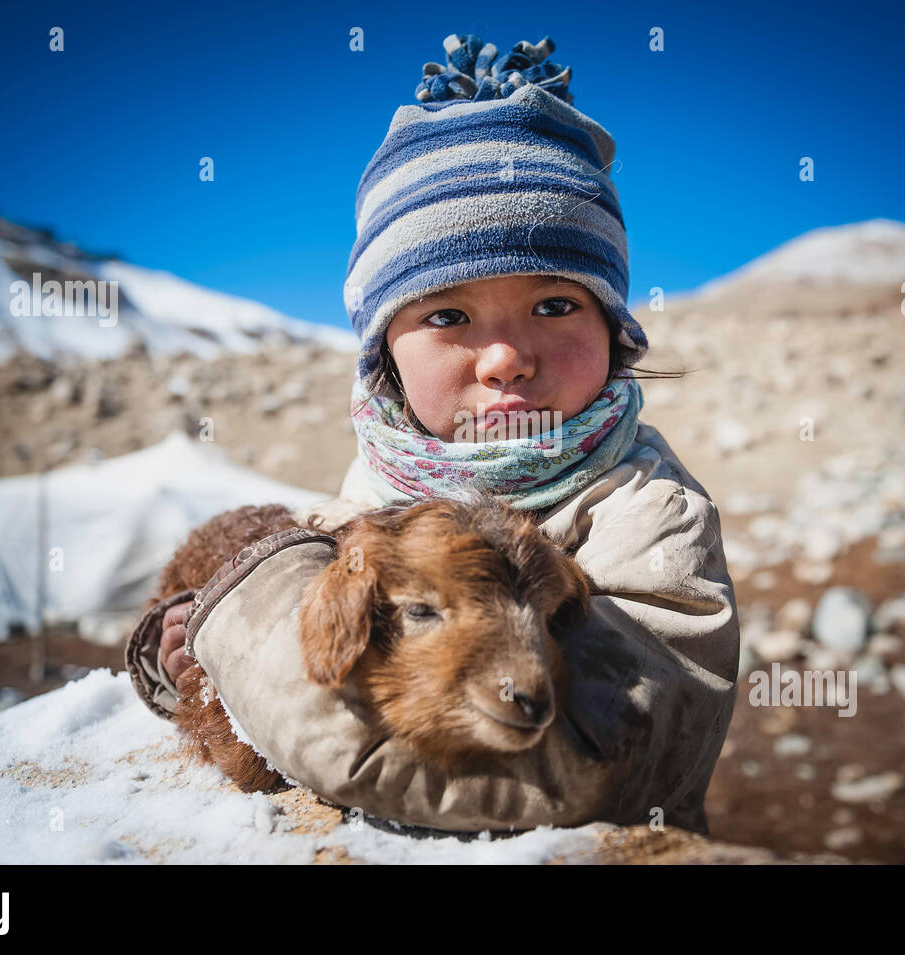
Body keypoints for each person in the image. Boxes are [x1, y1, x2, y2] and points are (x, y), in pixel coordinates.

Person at [126, 32, 740, 835]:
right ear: (385, 353)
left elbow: (603, 761)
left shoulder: (649, 518)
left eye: (556, 304)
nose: (508, 358)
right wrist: (190, 663)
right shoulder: (366, 497)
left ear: (616, 330)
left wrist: (246, 633)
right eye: (447, 315)